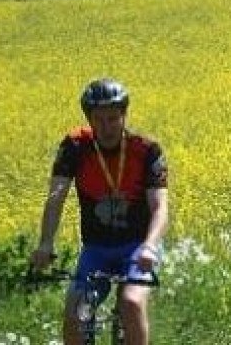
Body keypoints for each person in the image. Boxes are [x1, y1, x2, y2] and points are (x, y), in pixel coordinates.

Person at [29, 78, 170, 345]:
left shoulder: (146, 149)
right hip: (96, 248)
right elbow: (56, 196)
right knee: (75, 313)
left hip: (137, 247)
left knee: (131, 303)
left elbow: (159, 206)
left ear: (124, 115)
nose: (106, 127)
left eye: (113, 119)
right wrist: (46, 243)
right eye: (99, 120)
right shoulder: (75, 146)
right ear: (89, 119)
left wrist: (151, 246)